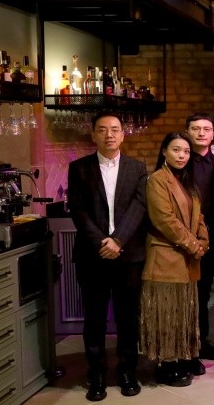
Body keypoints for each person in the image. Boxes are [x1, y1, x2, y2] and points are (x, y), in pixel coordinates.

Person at [67, 112, 148, 401]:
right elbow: (78, 210)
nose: (109, 134)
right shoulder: (79, 168)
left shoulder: (137, 167)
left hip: (129, 255)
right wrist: (103, 242)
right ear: (93, 135)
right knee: (94, 319)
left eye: (115, 129)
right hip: (93, 254)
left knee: (128, 318)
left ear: (123, 135)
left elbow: (140, 206)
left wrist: (118, 240)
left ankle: (127, 371)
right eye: (102, 130)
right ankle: (97, 373)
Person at [140, 132, 210, 387]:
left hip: (187, 258)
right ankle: (166, 364)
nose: (182, 156)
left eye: (186, 152)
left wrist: (203, 241)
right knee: (167, 313)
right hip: (165, 256)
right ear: (164, 152)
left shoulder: (187, 181)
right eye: (176, 150)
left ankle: (183, 357)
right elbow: (164, 220)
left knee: (183, 312)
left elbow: (198, 217)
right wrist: (193, 245)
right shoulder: (157, 180)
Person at [186, 113, 214, 369]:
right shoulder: (181, 162)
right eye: (196, 129)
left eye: (206, 129)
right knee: (188, 292)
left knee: (204, 290)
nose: (201, 133)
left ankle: (202, 341)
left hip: (213, 236)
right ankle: (187, 345)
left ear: (213, 134)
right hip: (185, 238)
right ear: (187, 132)